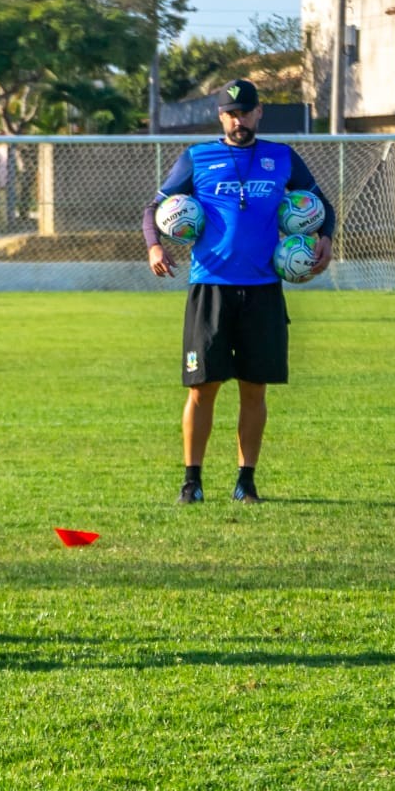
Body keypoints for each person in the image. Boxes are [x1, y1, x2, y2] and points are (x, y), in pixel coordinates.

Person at [142, 78, 336, 505]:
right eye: (231, 113)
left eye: (246, 111)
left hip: (264, 290)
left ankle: (246, 482)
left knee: (254, 389)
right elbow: (153, 208)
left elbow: (323, 205)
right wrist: (155, 245)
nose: (239, 120)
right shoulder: (197, 157)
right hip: (210, 288)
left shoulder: (282, 157)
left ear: (259, 112)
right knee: (202, 388)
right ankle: (191, 482)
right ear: (220, 116)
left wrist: (325, 236)